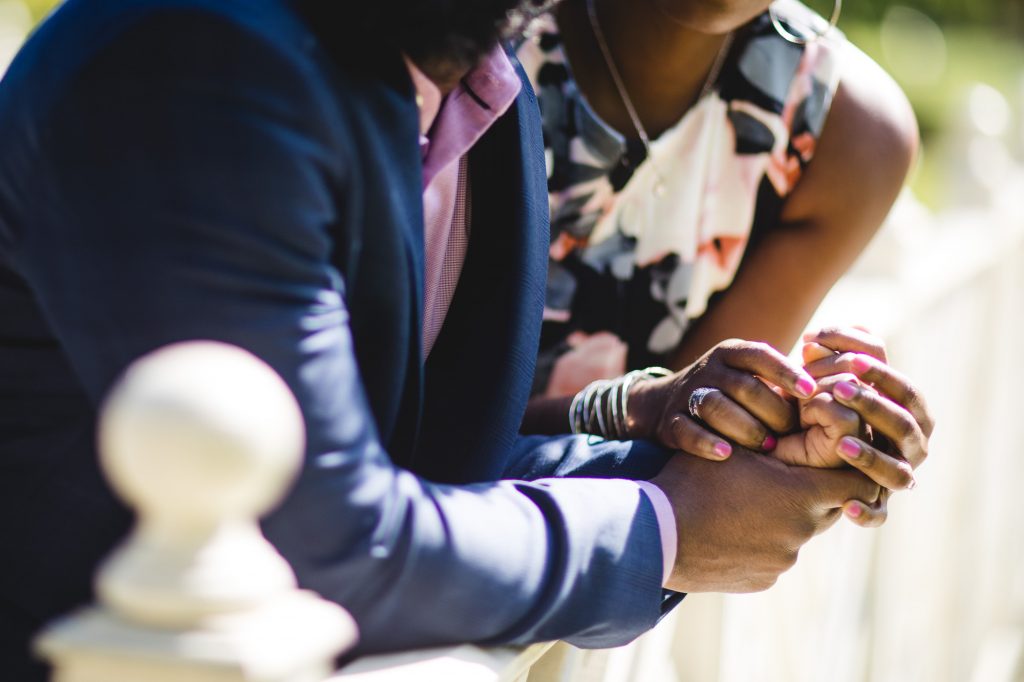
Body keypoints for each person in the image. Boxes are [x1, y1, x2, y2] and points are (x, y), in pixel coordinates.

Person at [0, 0, 930, 680]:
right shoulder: (199, 59)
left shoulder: (485, 92)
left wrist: (723, 461)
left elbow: (441, 478)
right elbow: (324, 541)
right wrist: (668, 529)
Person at [517, 0, 919, 454]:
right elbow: (430, 427)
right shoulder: (468, 42)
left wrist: (807, 424)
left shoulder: (846, 138)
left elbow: (690, 442)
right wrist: (633, 408)